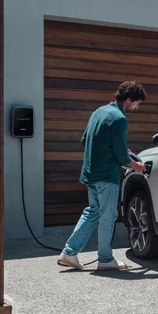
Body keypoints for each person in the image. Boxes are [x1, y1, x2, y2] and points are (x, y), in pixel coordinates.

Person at [57, 81, 147, 271]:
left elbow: (85, 140)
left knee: (93, 212)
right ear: (128, 99)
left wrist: (117, 147)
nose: (136, 107)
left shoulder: (98, 112)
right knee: (108, 216)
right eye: (136, 103)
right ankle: (105, 260)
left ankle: (69, 252)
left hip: (91, 172)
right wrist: (137, 166)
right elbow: (121, 156)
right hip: (107, 175)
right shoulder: (120, 118)